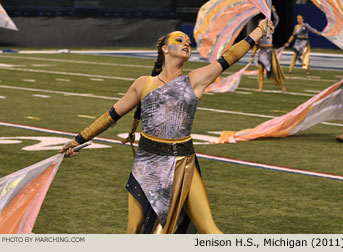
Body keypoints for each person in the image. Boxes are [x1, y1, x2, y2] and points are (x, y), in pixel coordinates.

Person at [60, 20, 273, 234]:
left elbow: (229, 57)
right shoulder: (143, 83)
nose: (186, 44)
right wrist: (78, 140)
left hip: (183, 163)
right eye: (180, 40)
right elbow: (111, 116)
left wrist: (259, 30)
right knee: (133, 231)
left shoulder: (195, 80)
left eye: (189, 42)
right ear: (165, 48)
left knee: (209, 229)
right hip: (146, 165)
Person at [250, 6, 286, 92]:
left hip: (270, 52)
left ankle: (281, 85)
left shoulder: (270, 30)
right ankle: (260, 87)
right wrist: (252, 56)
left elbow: (277, 20)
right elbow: (256, 45)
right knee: (260, 71)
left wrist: (274, 11)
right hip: (262, 53)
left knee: (275, 70)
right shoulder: (258, 34)